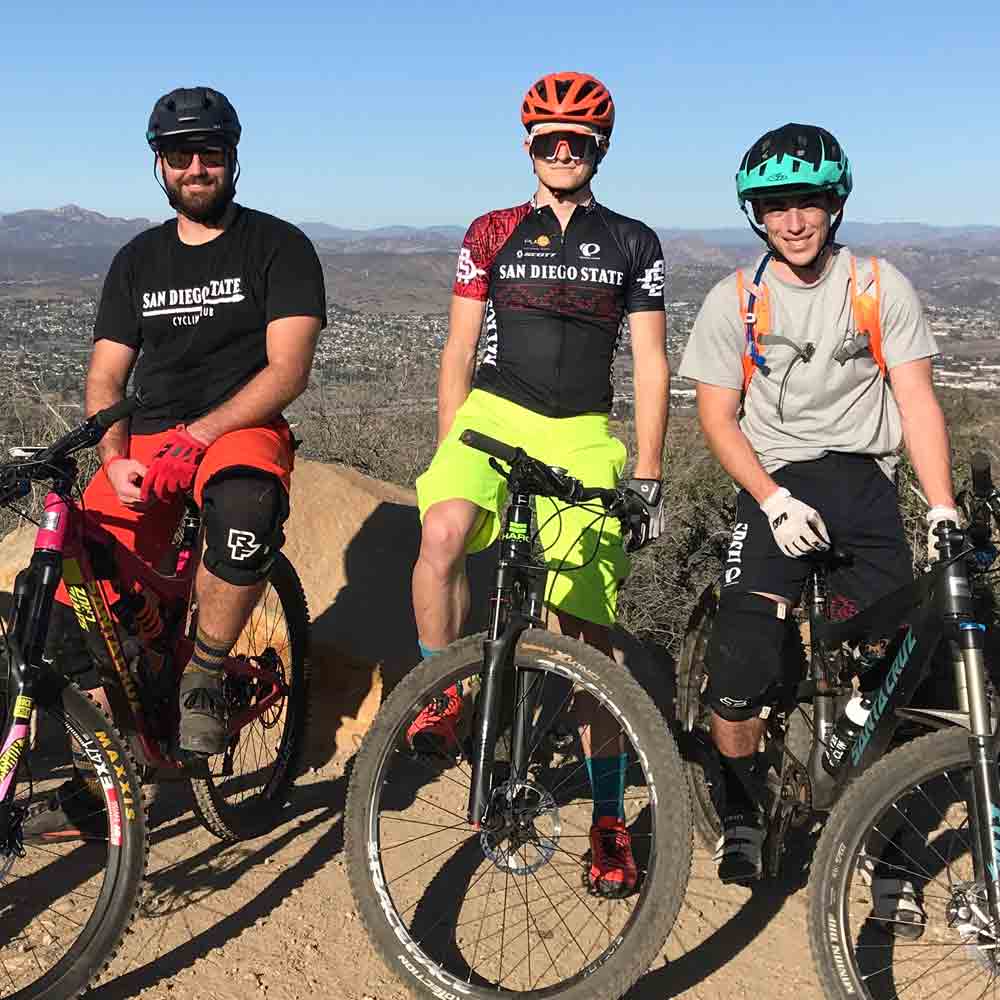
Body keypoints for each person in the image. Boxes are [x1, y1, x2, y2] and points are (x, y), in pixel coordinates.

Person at [678, 123, 955, 918]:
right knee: (740, 662)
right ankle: (738, 807)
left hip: (865, 485)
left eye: (808, 202)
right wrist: (770, 497)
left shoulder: (879, 286)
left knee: (903, 668)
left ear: (835, 205)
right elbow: (720, 419)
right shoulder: (736, 299)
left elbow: (917, 401)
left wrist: (939, 508)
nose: (793, 220)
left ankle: (892, 843)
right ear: (754, 213)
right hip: (775, 482)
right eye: (775, 205)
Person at [36, 86, 325, 832]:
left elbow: (286, 370)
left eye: (210, 153)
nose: (195, 167)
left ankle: (202, 676)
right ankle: (107, 755)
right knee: (75, 577)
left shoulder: (278, 245)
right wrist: (114, 452)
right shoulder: (137, 259)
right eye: (179, 155)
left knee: (244, 510)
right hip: (145, 436)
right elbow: (107, 377)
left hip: (238, 425)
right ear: (159, 165)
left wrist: (201, 435)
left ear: (232, 157)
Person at [409, 71, 670, 897]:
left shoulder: (634, 241)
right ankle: (448, 690)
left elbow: (653, 362)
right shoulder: (490, 231)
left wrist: (651, 474)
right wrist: (455, 444)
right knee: (444, 532)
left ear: (599, 150)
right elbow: (456, 350)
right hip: (494, 414)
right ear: (528, 146)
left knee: (585, 635)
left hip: (583, 431)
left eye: (579, 141)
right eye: (549, 140)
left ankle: (606, 819)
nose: (563, 151)